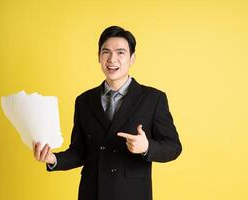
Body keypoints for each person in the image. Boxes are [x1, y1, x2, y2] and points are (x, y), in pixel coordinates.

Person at [33, 25, 182, 200]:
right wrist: (53, 159)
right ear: (99, 57)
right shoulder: (84, 101)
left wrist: (147, 147)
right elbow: (79, 152)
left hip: (131, 194)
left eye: (120, 53)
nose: (112, 59)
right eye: (106, 52)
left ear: (132, 58)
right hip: (92, 193)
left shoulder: (153, 98)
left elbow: (173, 147)